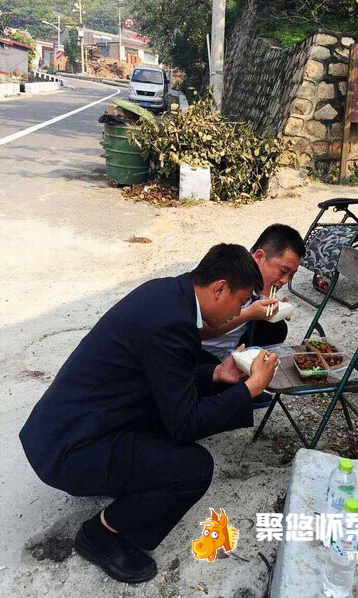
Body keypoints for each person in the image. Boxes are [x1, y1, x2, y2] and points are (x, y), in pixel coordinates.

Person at [19, 244, 278, 584]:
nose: (240, 311)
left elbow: (165, 380)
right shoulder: (172, 324)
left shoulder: (168, 293)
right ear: (220, 289)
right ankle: (101, 534)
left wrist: (218, 376)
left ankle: (119, 481)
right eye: (241, 301)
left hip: (63, 429)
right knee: (193, 468)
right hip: (70, 450)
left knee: (182, 412)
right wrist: (250, 389)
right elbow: (185, 424)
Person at [200, 225, 305, 406]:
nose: (285, 281)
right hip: (200, 352)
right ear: (259, 256)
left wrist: (274, 309)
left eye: (291, 275)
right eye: (283, 271)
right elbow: (200, 330)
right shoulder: (226, 274)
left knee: (276, 327)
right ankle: (218, 385)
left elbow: (257, 304)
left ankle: (238, 380)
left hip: (232, 347)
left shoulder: (257, 279)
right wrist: (249, 313)